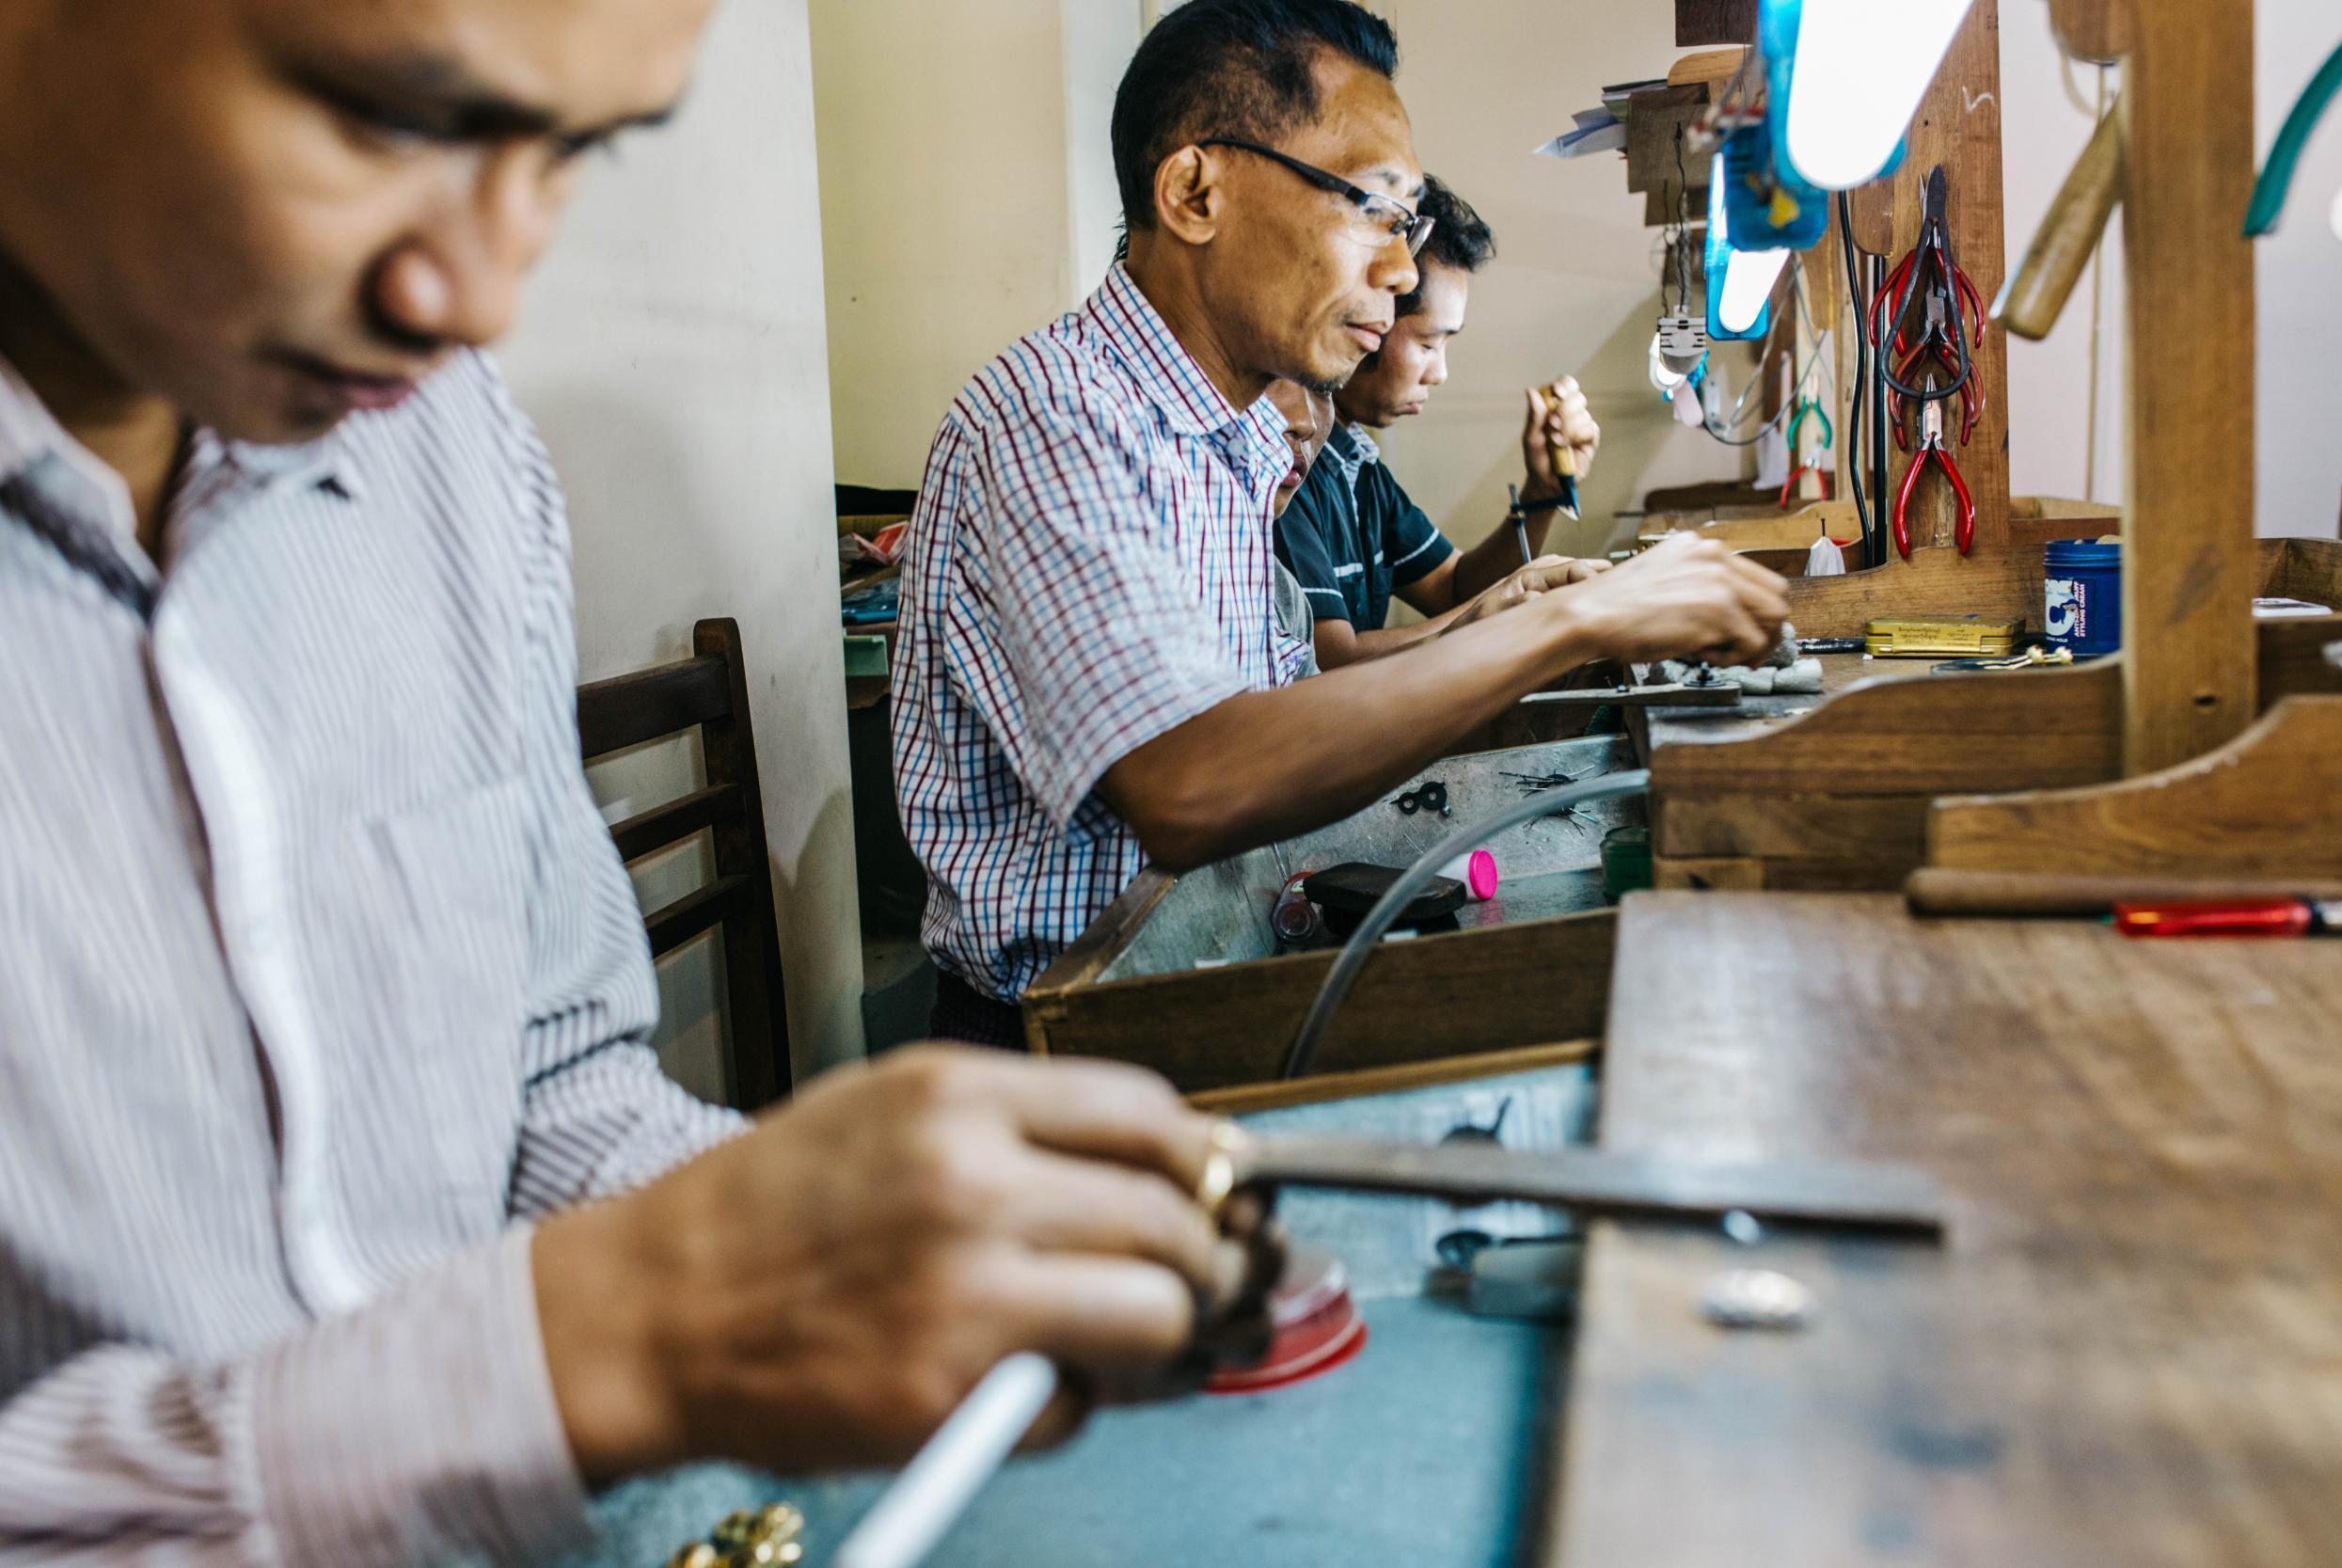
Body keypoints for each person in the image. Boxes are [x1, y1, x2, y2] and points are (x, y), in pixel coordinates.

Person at [0, 1, 1276, 1561]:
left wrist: (796, 1235)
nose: (471, 299)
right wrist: (579, 1345)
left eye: (574, 151)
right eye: (381, 118)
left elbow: (551, 1077)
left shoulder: (442, 455)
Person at [892, 0, 1789, 1045]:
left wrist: (1501, 621)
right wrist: (1560, 630)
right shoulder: (1056, 416)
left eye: (1404, 225)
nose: (1402, 269)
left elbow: (1281, 715)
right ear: (1194, 191)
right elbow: (1191, 779)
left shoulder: (1227, 440)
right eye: (1371, 205)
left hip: (1197, 975)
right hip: (1066, 1040)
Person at [1278, 174, 1599, 669]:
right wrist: (1506, 604)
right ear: (1370, 319)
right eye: (1428, 344)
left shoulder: (1358, 465)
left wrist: (1543, 492)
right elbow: (1330, 660)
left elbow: (1453, 586)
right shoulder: (1287, 468)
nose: (1440, 373)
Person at [1266, 378, 1338, 675]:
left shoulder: (1283, 590)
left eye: (1324, 389)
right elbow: (1341, 651)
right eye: (1267, 379)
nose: (1305, 423)